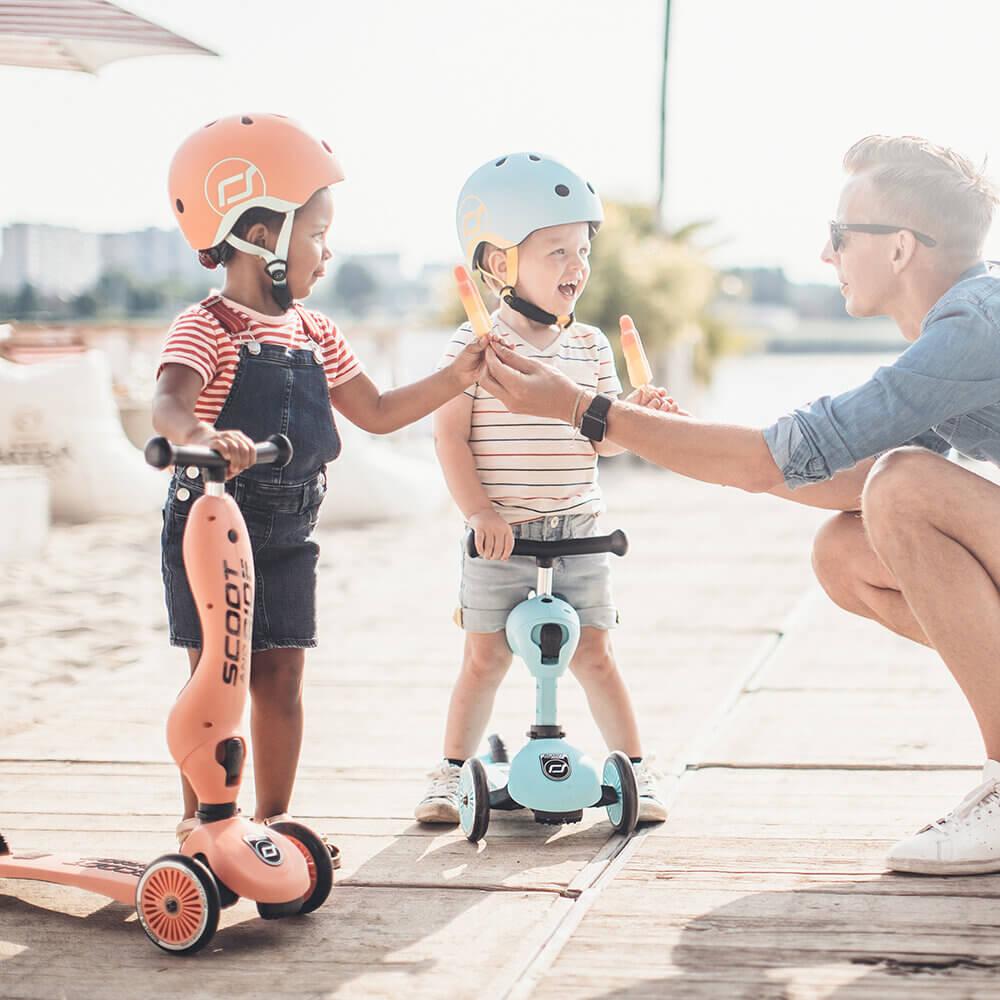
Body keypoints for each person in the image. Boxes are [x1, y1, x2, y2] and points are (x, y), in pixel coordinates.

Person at [479, 134, 1000, 874]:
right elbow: (843, 477)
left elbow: (796, 461)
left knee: (906, 484)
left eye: (840, 235)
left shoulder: (974, 328)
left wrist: (584, 410)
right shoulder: (963, 327)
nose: (826, 255)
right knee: (846, 553)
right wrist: (679, 439)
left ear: (901, 249)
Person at [152, 113, 489, 844]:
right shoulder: (207, 326)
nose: (326, 253)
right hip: (212, 522)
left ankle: (272, 822)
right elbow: (169, 403)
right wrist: (201, 437)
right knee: (217, 679)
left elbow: (375, 410)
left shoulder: (315, 331)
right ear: (261, 237)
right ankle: (198, 822)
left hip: (287, 529)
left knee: (283, 679)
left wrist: (455, 376)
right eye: (316, 235)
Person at [415, 152, 671, 825]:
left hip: (579, 528)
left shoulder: (588, 347)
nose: (575, 266)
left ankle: (639, 771)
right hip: (500, 532)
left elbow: (604, 439)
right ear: (499, 265)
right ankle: (447, 773)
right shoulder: (474, 347)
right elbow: (450, 439)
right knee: (484, 655)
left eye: (581, 250)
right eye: (555, 250)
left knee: (595, 653)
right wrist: (478, 510)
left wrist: (641, 419)